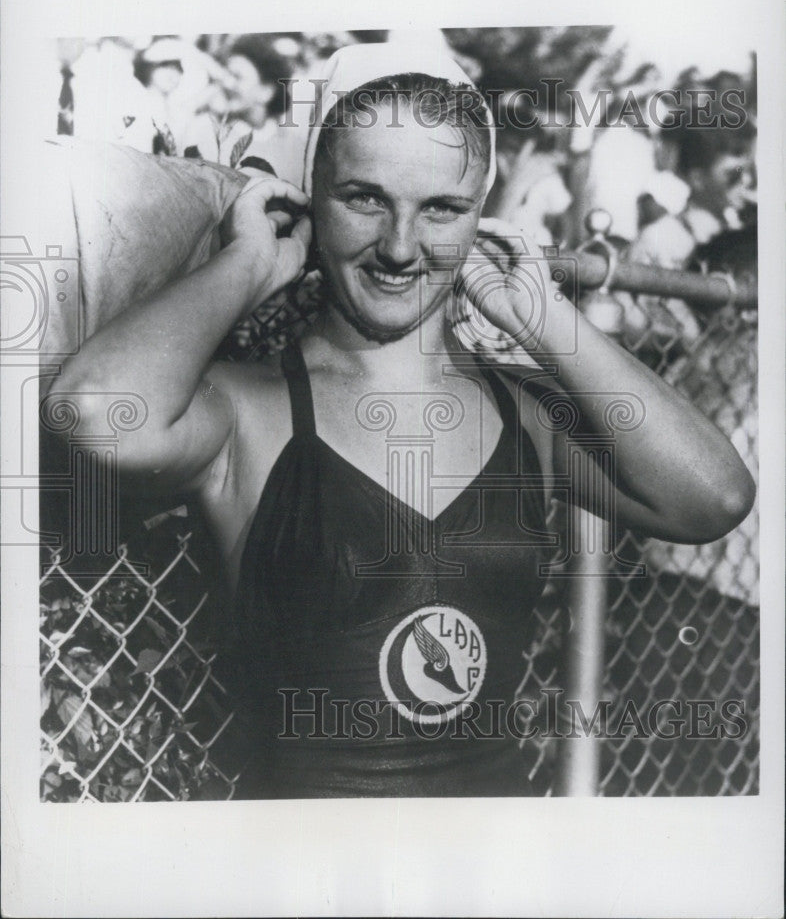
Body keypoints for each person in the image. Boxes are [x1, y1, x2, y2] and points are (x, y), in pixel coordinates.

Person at [48, 43, 755, 798]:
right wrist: (248, 265)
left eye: (441, 209)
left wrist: (548, 322)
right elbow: (91, 411)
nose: (399, 247)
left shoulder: (522, 411)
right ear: (310, 196)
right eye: (363, 197)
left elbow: (713, 498)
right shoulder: (250, 408)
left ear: (482, 217)